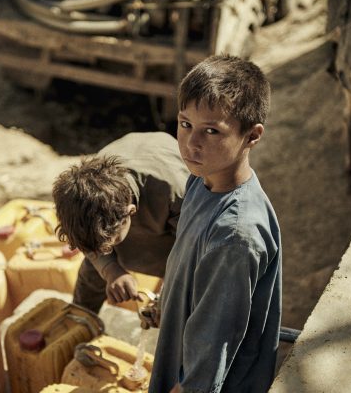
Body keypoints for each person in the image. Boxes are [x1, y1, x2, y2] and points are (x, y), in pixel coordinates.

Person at [148, 54, 282, 393]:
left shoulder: (234, 235)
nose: (192, 143)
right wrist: (165, 303)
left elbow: (210, 357)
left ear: (252, 136)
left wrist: (186, 385)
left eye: (211, 130)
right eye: (184, 124)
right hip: (179, 355)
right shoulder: (202, 180)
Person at [52, 132, 189, 314]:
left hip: (175, 232)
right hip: (119, 215)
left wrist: (168, 295)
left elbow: (194, 254)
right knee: (92, 273)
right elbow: (92, 244)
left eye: (108, 247)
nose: (100, 252)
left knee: (180, 299)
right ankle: (81, 320)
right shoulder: (78, 195)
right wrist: (110, 270)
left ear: (130, 212)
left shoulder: (176, 194)